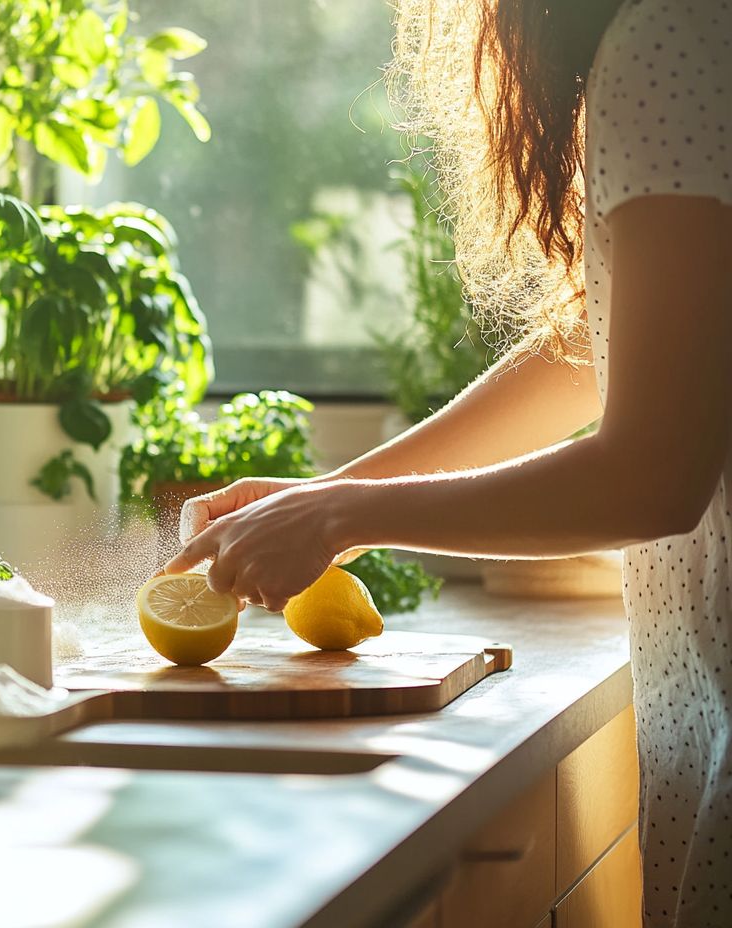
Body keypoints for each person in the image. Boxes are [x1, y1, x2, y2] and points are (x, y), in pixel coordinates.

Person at [166, 1, 731, 925]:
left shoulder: (672, 39)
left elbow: (655, 473)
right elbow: (604, 336)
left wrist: (342, 518)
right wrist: (337, 495)